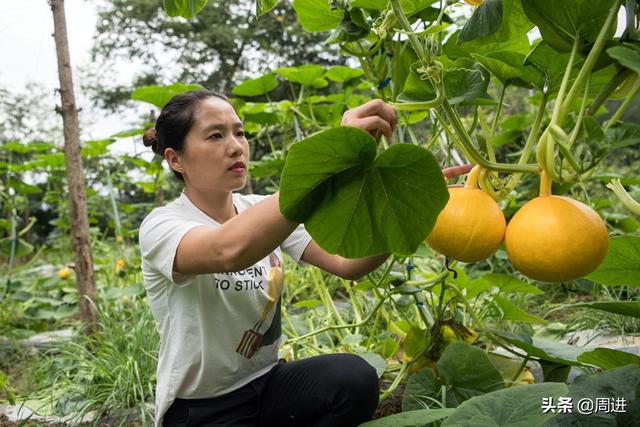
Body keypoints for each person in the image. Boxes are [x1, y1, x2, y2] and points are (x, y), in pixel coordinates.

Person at [139, 90, 471, 427]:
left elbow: (346, 264)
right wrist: (331, 156)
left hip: (268, 385)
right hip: (202, 410)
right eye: (215, 135)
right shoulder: (163, 226)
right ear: (175, 159)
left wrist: (408, 210)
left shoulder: (258, 208)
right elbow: (228, 251)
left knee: (353, 379)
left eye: (239, 132)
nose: (236, 146)